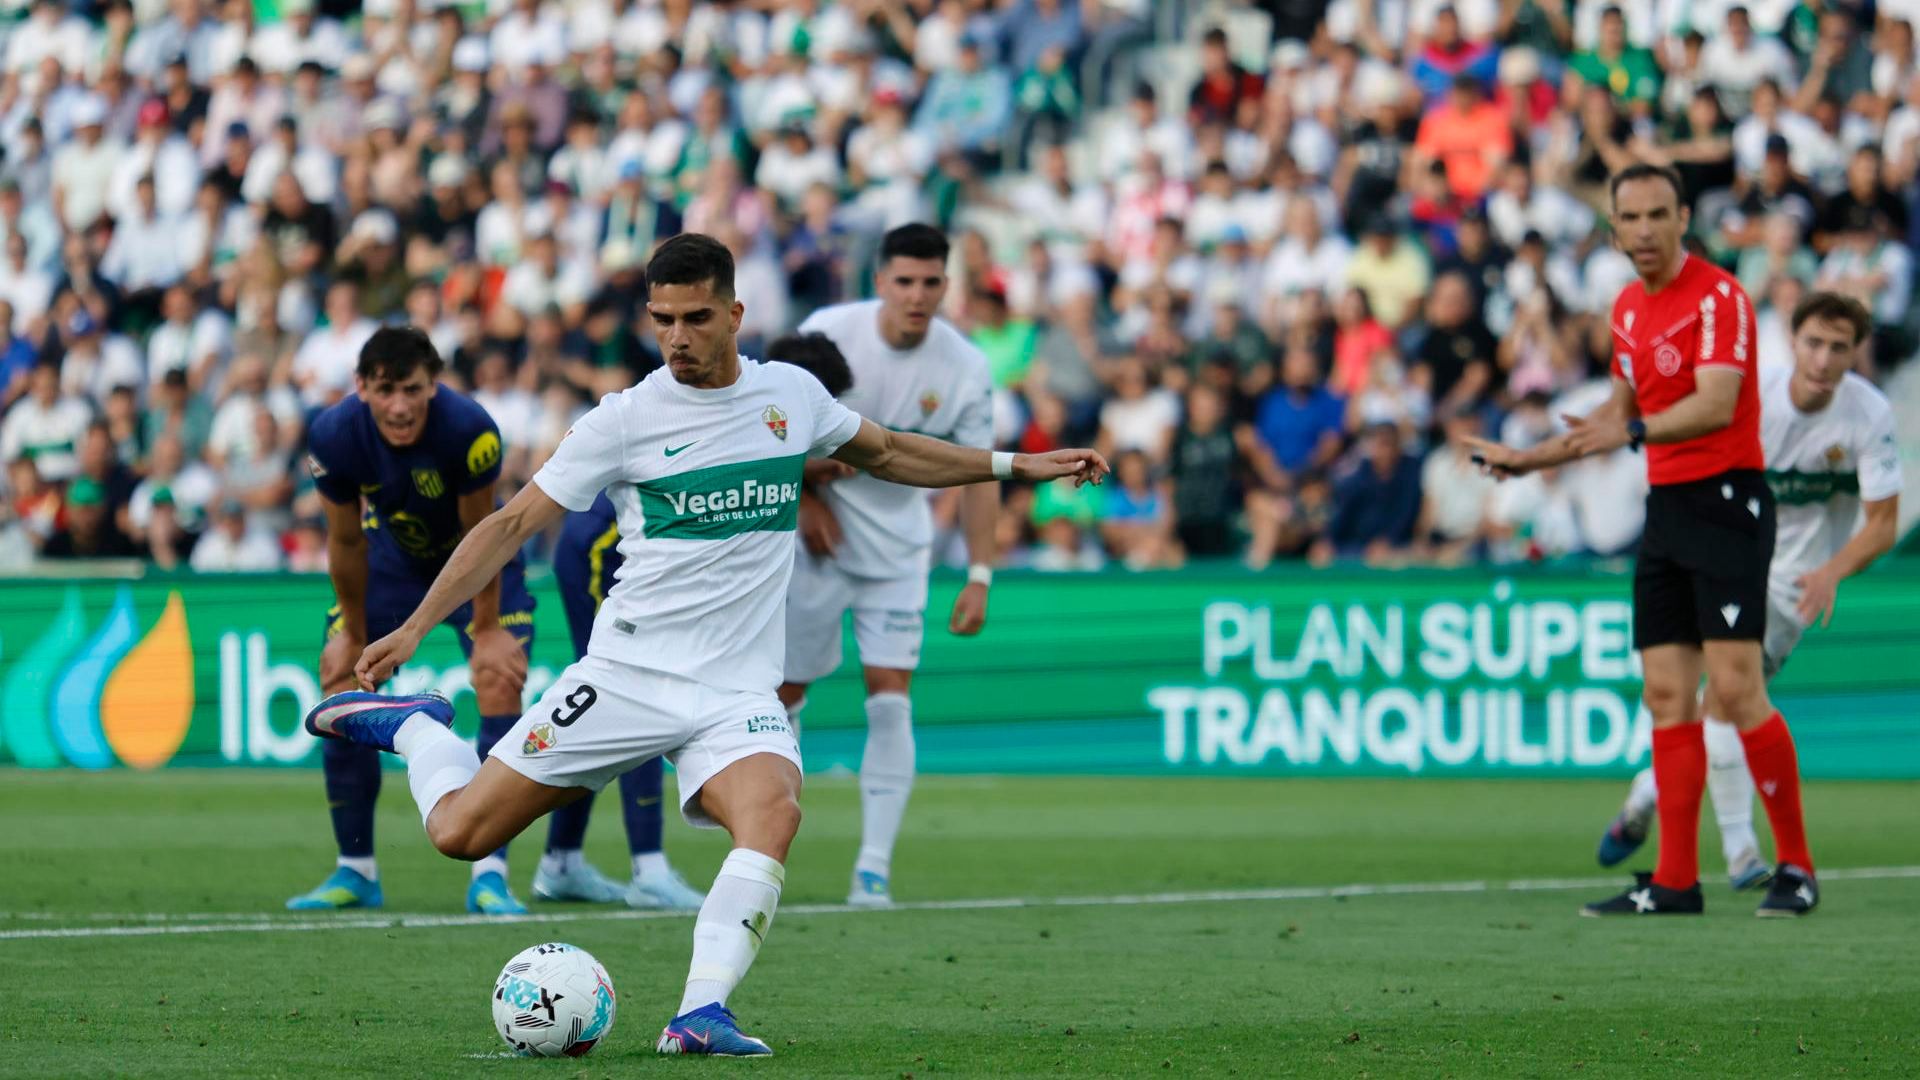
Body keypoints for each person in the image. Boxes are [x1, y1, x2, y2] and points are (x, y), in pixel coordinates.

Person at [300, 234, 1106, 1056]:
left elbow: (892, 451)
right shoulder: (625, 419)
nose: (677, 338)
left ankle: (698, 1015)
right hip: (628, 675)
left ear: (734, 313)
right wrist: (409, 629)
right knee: (460, 836)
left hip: (736, 692)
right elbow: (509, 525)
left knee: (775, 814)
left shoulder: (788, 397)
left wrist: (1018, 465)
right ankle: (415, 726)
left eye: (694, 318)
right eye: (662, 320)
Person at [1466, 163, 1818, 917]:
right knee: (1666, 696)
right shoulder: (1627, 308)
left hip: (1726, 505)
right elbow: (1614, 413)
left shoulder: (1721, 297)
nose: (1648, 230)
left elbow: (1717, 405)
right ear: (1616, 228)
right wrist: (1527, 459)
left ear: (1684, 218)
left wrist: (1627, 430)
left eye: (1661, 214)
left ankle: (1796, 864)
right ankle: (1676, 881)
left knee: (1735, 689)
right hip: (1666, 511)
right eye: (1633, 218)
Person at [534, 332, 853, 913]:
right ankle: (647, 866)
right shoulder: (742, 407)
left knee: (618, 707)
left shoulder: (769, 409)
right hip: (598, 549)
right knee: (626, 698)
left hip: (631, 561)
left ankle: (562, 860)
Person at [1592, 291, 1900, 894]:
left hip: (1793, 582)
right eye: (1814, 342)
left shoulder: (1869, 416)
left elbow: (1883, 522)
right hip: (1729, 559)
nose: (1823, 359)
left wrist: (1833, 571)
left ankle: (1723, 843)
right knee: (1704, 701)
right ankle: (1695, 829)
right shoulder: (1754, 403)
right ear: (1792, 340)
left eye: (1839, 348)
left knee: (1724, 702)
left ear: (1854, 354)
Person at [774, 224, 999, 908]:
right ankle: (763, 850)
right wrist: (805, 496)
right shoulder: (830, 332)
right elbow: (770, 425)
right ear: (879, 282)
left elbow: (980, 474)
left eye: (932, 282)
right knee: (784, 697)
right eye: (905, 281)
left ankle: (873, 869)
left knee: (891, 701)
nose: (918, 295)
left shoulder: (965, 367)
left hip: (900, 552)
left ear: (946, 286)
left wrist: (980, 573)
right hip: (817, 547)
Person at [285, 327, 538, 917]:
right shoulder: (332, 435)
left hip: (479, 569)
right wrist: (351, 631)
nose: (399, 405)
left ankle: (490, 874)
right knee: (338, 681)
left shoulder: (469, 430)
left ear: (434, 386)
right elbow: (345, 542)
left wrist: (487, 629)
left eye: (413, 390)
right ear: (361, 388)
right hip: (390, 565)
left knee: (498, 676)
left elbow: (484, 536)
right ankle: (356, 871)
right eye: (385, 390)